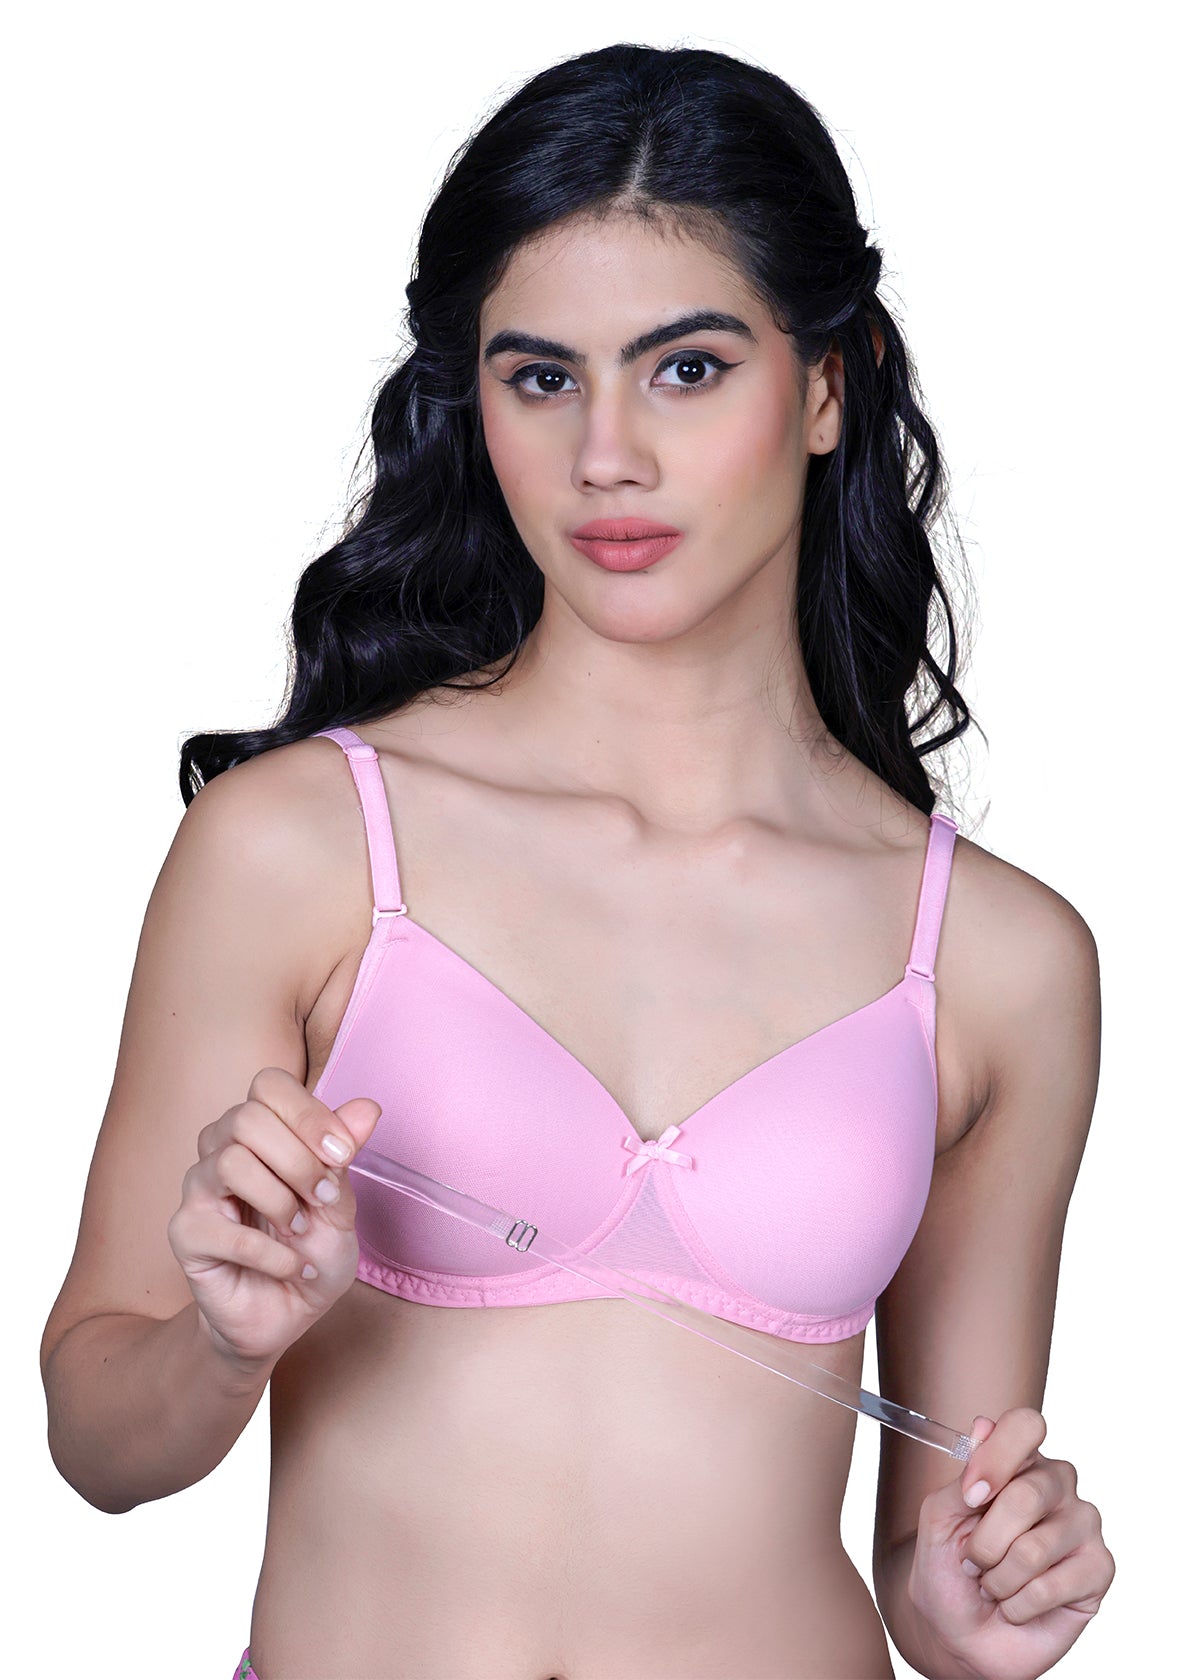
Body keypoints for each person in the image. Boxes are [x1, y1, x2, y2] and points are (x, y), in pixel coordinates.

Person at [38, 40, 1115, 1680]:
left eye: (686, 369)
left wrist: (978, 1611)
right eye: (542, 378)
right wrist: (223, 1346)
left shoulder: (996, 958)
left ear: (830, 385)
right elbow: (98, 1440)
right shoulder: (301, 846)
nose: (607, 452)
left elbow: (930, 1552)